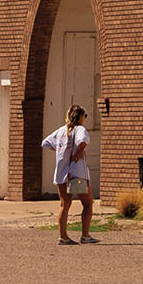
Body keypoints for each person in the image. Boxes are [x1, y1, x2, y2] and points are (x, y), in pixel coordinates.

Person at [42, 105, 97, 245]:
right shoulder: (80, 129)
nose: (85, 119)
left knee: (64, 205)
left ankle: (63, 236)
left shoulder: (60, 131)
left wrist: (60, 150)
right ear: (80, 117)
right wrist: (78, 152)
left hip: (61, 174)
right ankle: (85, 236)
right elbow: (83, 141)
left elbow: (46, 143)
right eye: (85, 116)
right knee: (87, 203)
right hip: (76, 173)